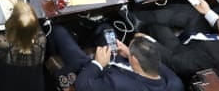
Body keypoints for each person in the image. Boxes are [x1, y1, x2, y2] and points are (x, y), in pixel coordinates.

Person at [134, 0, 219, 83]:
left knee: (157, 26)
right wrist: (208, 12)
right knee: (190, 13)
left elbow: (175, 63)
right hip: (207, 42)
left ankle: (130, 19)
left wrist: (148, 42)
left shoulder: (212, 54)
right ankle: (139, 14)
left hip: (183, 53)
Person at [49, 27, 182, 91]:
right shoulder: (175, 84)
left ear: (135, 60)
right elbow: (155, 62)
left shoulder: (118, 83)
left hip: (93, 71)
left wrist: (97, 64)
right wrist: (129, 53)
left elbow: (81, 85)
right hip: (119, 62)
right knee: (106, 28)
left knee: (58, 31)